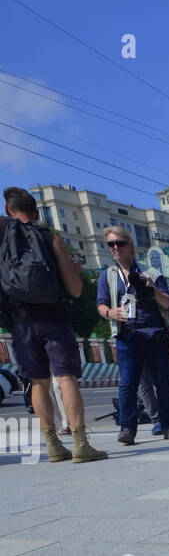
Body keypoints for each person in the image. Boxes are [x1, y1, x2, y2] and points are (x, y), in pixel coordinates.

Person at [0, 186, 106, 461]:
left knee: (37, 382)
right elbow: (74, 290)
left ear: (8, 211)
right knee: (66, 378)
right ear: (36, 213)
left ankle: (52, 446)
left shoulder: (2, 238)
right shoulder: (51, 239)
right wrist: (75, 272)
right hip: (54, 318)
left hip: (20, 322)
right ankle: (81, 445)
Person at [97, 227, 169, 445]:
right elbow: (100, 304)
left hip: (154, 334)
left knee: (163, 382)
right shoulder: (107, 275)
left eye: (120, 243)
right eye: (111, 244)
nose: (115, 248)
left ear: (131, 246)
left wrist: (152, 289)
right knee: (128, 384)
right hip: (127, 337)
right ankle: (127, 429)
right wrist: (110, 313)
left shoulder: (150, 272)